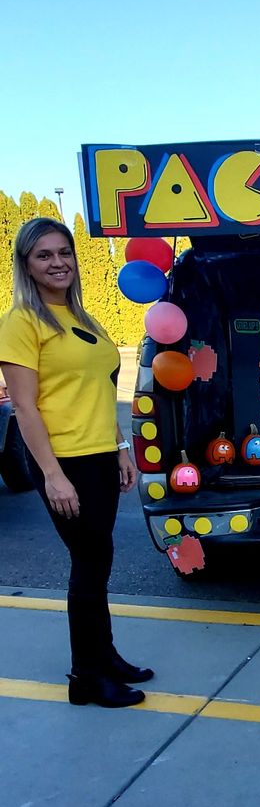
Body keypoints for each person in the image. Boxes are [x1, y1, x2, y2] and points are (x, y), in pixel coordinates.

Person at [0, 217, 153, 707]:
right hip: (64, 461)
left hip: (99, 457)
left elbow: (102, 389)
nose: (58, 262)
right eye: (44, 255)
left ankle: (104, 656)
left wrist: (121, 448)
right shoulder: (22, 322)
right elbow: (25, 407)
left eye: (64, 252)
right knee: (88, 564)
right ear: (26, 264)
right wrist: (52, 475)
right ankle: (85, 678)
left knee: (99, 559)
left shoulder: (82, 317)